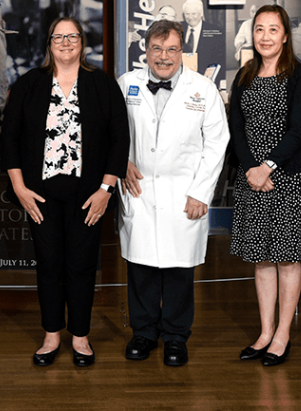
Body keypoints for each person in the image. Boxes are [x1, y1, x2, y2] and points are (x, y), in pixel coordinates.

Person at [2, 17, 128, 368]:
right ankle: (51, 334)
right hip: (39, 195)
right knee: (49, 264)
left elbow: (120, 140)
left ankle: (81, 336)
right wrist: (19, 188)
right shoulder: (29, 84)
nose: (66, 42)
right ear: (49, 42)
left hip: (88, 195)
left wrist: (106, 189)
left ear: (82, 42)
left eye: (72, 36)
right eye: (59, 36)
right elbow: (9, 139)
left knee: (82, 265)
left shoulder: (102, 84)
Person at [117, 19, 229, 367]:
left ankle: (176, 336)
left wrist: (201, 192)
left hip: (185, 192)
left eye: (171, 50)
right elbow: (109, 132)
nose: (163, 57)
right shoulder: (126, 85)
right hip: (138, 189)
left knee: (179, 270)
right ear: (145, 50)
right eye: (156, 49)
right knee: (141, 267)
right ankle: (144, 332)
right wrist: (120, 163)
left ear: (182, 51)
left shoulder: (203, 89)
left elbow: (217, 143)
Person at [229, 4, 301, 367]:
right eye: (259, 29)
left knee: (287, 258)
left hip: (290, 178)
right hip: (252, 179)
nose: (265, 36)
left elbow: (299, 130)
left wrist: (267, 167)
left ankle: (283, 334)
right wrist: (252, 168)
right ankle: (264, 332)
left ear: (285, 35)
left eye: (272, 29)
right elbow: (236, 127)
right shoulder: (244, 75)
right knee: (262, 258)